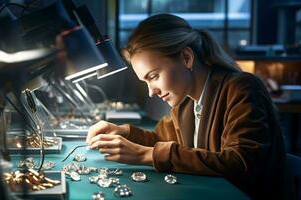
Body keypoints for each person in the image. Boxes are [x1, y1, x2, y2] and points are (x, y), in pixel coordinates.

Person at [86, 14, 293, 200]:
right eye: (146, 82)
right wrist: (123, 131)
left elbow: (241, 162)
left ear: (186, 57)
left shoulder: (241, 88)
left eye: (154, 76)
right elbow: (160, 140)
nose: (151, 91)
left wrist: (145, 155)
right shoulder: (186, 102)